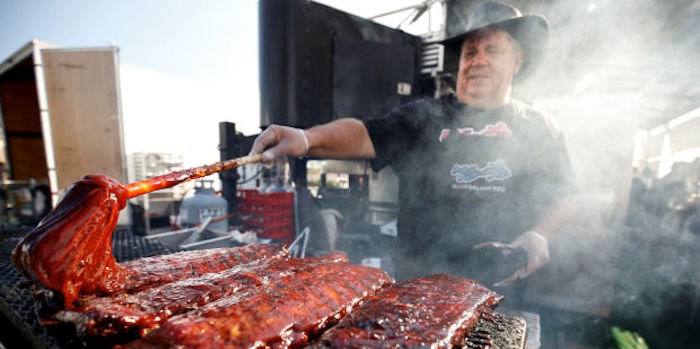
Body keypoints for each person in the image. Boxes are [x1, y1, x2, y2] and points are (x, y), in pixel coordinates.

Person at [250, 1, 578, 292]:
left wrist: (539, 234)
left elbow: (564, 194)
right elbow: (364, 133)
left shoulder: (539, 127)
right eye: (469, 52)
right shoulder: (425, 116)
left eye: (492, 51)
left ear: (516, 61)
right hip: (418, 288)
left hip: (501, 288)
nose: (478, 61)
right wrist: (307, 139)